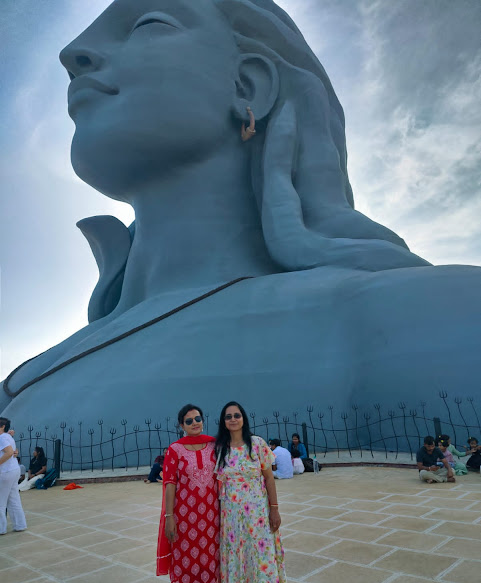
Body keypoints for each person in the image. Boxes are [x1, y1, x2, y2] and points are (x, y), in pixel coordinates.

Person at [2, 0, 481, 433]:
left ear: (249, 85)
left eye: (148, 24)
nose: (72, 53)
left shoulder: (429, 315)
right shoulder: (26, 375)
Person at [215, 402, 289, 583]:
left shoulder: (257, 444)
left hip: (257, 518)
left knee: (259, 566)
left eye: (237, 415)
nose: (233, 419)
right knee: (238, 568)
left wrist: (274, 509)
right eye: (228, 416)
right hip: (231, 522)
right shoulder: (220, 449)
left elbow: (269, 478)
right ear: (223, 421)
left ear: (243, 418)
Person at [156, 405, 219, 583]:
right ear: (181, 425)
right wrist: (169, 517)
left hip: (212, 519)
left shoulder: (215, 445)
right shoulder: (175, 450)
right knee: (187, 569)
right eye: (189, 420)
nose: (195, 423)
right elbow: (169, 483)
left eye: (198, 418)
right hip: (185, 521)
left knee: (209, 566)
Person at [0, 417, 27, 534]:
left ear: (2, 427)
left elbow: (10, 452)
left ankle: (1, 528)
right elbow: (14, 452)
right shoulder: (8, 437)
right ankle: (20, 525)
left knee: (1, 502)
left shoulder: (2, 437)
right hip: (13, 470)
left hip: (5, 472)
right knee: (14, 499)